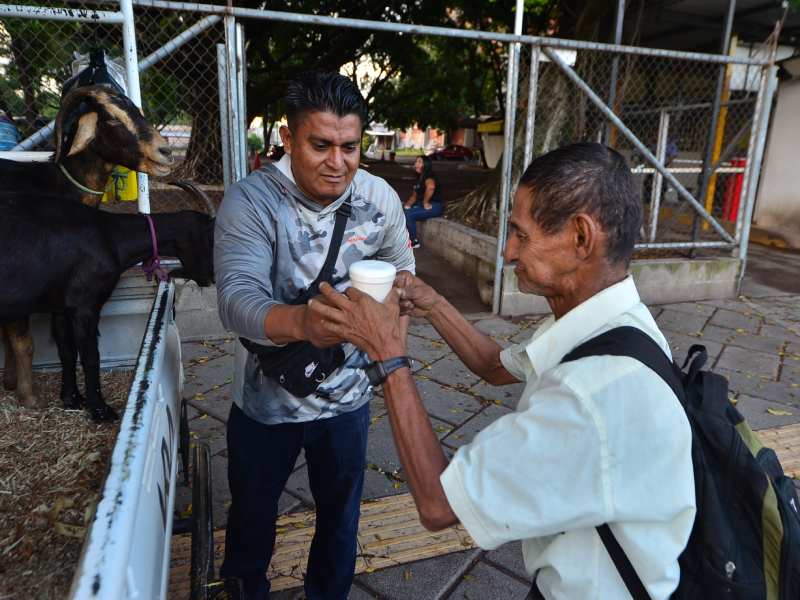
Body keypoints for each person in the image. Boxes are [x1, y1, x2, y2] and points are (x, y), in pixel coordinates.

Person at [311, 143, 696, 599]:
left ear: (580, 237)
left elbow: (437, 504)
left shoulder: (591, 394)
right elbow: (496, 366)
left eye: (521, 234)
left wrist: (388, 355)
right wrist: (434, 305)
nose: (509, 252)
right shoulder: (615, 325)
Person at [214, 71, 415, 600]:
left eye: (350, 147)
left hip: (349, 401)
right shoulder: (252, 201)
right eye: (320, 144)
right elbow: (235, 301)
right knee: (253, 518)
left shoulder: (378, 198)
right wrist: (303, 322)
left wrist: (391, 358)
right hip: (265, 406)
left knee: (341, 521)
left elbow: (405, 279)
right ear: (287, 138)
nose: (337, 162)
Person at [403, 155, 443, 248]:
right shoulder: (419, 179)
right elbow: (413, 197)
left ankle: (414, 241)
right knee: (404, 212)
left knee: (408, 215)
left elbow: (431, 187)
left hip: (434, 206)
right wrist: (406, 206)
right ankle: (404, 238)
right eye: (416, 162)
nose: (416, 164)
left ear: (426, 165)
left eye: (419, 162)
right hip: (422, 205)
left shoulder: (428, 176)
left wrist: (425, 202)